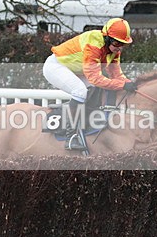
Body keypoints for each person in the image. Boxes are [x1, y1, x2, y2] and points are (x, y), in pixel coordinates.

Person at [43, 17, 136, 150]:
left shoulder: (114, 50)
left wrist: (129, 83)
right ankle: (71, 136)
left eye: (123, 44)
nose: (119, 47)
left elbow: (115, 74)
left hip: (76, 70)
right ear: (106, 38)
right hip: (56, 66)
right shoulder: (93, 44)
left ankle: (84, 124)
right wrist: (122, 85)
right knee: (80, 91)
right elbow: (95, 78)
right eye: (116, 43)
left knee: (93, 89)